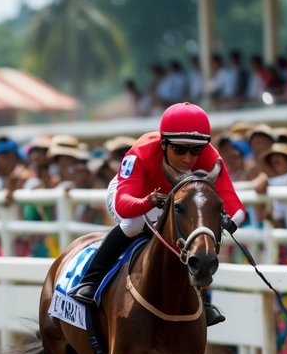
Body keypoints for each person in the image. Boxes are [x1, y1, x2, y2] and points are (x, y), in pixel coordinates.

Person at [69, 102, 246, 327]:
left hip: (174, 200)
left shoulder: (211, 156)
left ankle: (203, 299)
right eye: (179, 149)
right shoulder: (141, 152)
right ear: (163, 144)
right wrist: (147, 202)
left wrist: (227, 223)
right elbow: (124, 204)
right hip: (135, 195)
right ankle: (90, 280)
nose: (189, 158)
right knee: (133, 225)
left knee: (197, 237)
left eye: (195, 150)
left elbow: (234, 204)